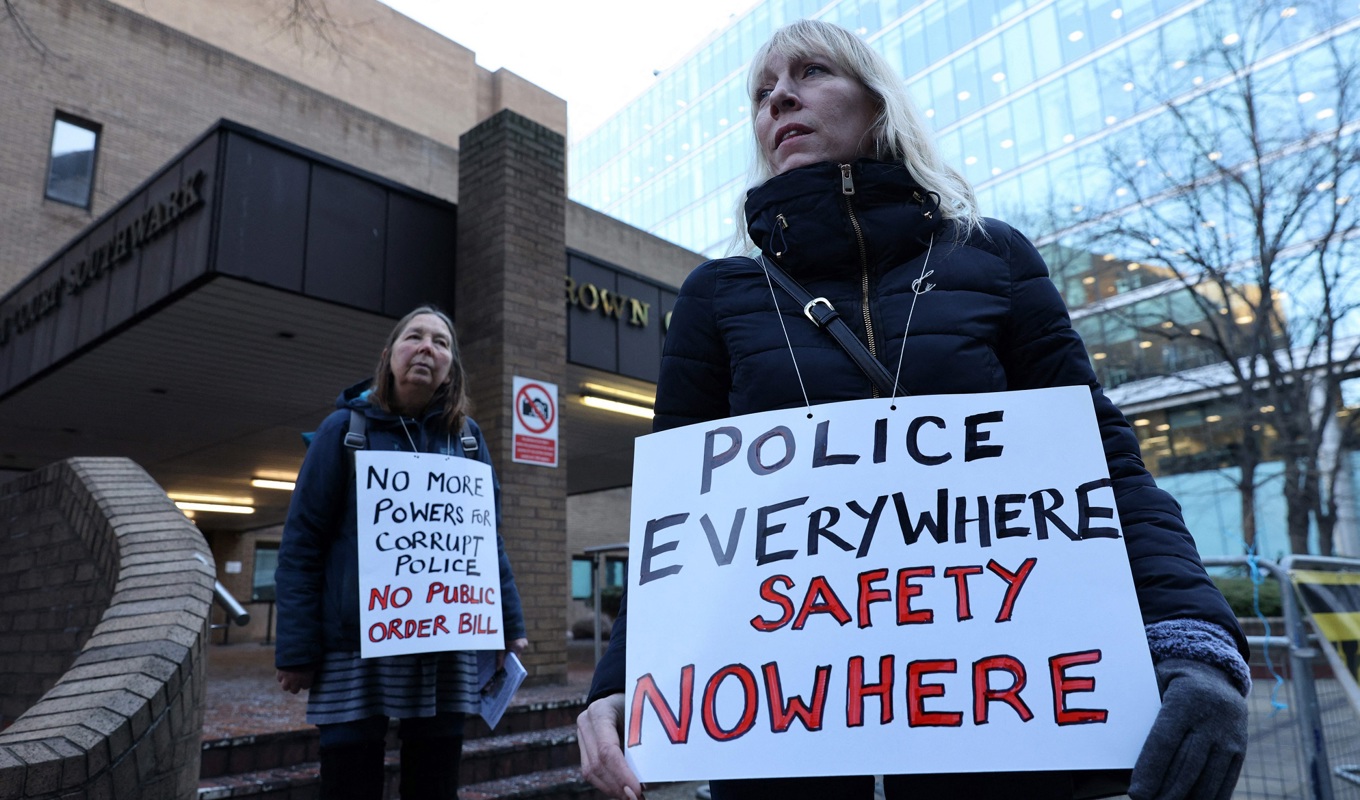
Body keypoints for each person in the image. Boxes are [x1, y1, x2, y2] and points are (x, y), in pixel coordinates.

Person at [578, 19, 1249, 800]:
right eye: (762, 93)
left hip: (1001, 745)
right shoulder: (716, 297)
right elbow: (678, 527)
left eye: (810, 72)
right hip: (785, 754)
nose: (779, 99)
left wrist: (1195, 642)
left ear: (877, 101)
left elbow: (1105, 469)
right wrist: (622, 682)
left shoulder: (995, 259)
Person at [275, 305, 528, 800]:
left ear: (451, 369)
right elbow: (302, 543)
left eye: (441, 342)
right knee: (349, 781)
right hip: (355, 647)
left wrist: (508, 624)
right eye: (414, 337)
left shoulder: (468, 440)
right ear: (389, 355)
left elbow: (486, 541)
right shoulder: (342, 431)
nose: (426, 348)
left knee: (435, 782)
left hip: (445, 643)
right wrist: (297, 649)